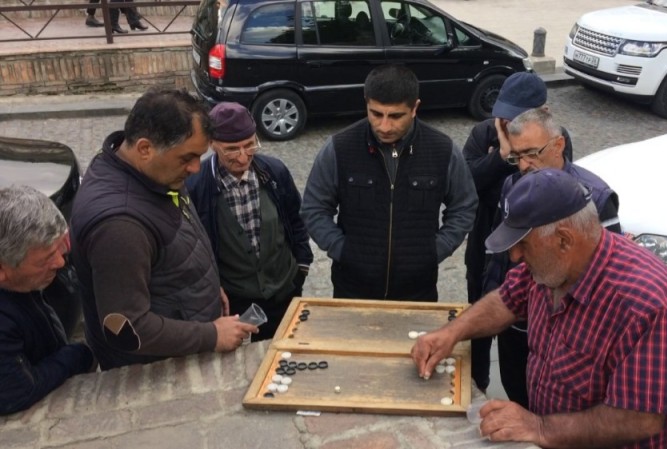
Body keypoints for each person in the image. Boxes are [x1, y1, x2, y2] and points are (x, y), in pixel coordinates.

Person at [411, 169, 667, 448]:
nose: (515, 256)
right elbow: (506, 300)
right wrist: (452, 333)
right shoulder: (549, 266)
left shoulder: (646, 306)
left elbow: (640, 419)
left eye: (523, 244)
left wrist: (540, 428)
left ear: (564, 240)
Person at [70, 88, 257, 370]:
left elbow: (175, 237)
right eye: (187, 158)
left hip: (186, 329)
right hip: (156, 368)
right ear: (145, 148)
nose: (196, 168)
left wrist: (204, 282)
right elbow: (128, 329)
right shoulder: (119, 227)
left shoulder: (151, 171)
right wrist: (212, 334)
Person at [301, 64, 477, 301]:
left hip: (417, 291)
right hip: (352, 289)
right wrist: (343, 250)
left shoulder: (443, 150)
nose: (384, 126)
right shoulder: (339, 148)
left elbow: (464, 206)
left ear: (415, 108)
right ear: (366, 103)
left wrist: (435, 251)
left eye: (395, 116)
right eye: (376, 114)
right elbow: (314, 208)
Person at [487, 106, 621, 408]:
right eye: (516, 156)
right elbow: (505, 259)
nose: (523, 165)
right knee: (521, 395)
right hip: (520, 326)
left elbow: (607, 271)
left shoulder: (595, 196)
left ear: (558, 145)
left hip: (570, 335)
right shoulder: (514, 185)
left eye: (531, 154)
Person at [462, 72, 574, 393]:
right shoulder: (483, 133)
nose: (507, 123)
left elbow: (548, 194)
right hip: (484, 251)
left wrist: (519, 154)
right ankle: (477, 384)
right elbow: (466, 184)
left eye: (517, 118)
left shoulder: (553, 140)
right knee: (478, 331)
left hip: (524, 259)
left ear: (544, 114)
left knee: (516, 345)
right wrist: (500, 156)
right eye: (504, 115)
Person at [186, 102, 313, 341]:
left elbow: (297, 221)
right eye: (232, 149)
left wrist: (302, 268)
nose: (244, 157)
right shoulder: (194, 185)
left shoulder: (275, 172)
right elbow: (192, 249)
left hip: (283, 291)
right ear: (212, 144)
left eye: (250, 145)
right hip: (235, 302)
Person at [0, 185, 94, 415]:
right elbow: (15, 392)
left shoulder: (19, 274)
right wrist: (77, 356)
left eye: (59, 250)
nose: (60, 263)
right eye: (46, 259)